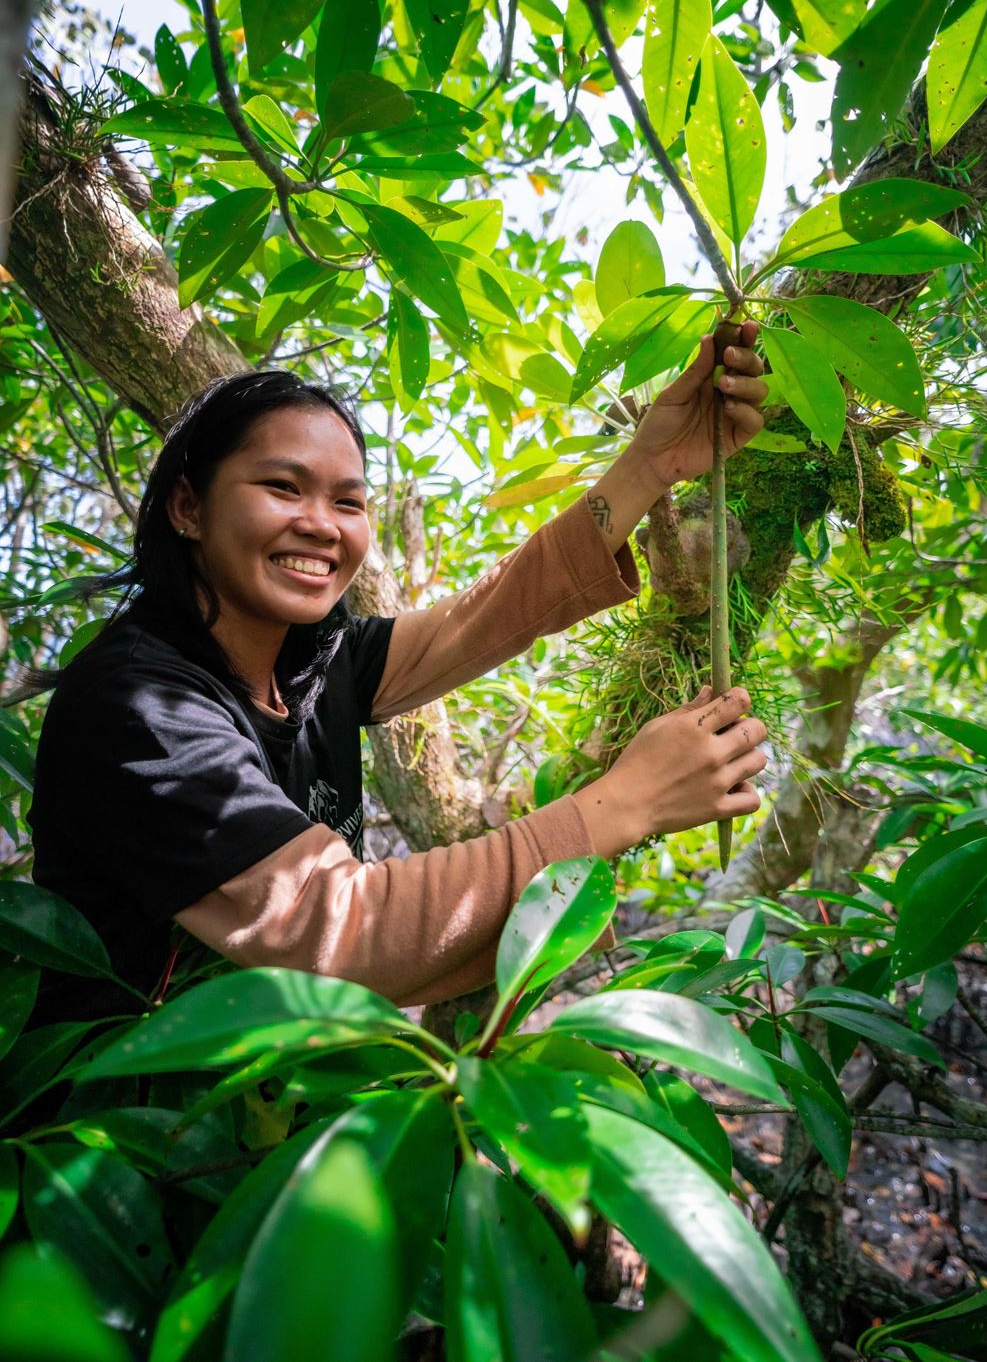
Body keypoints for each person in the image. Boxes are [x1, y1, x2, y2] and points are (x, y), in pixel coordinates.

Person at [29, 324, 769, 1022]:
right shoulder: (139, 706)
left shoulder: (307, 661)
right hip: (138, 1135)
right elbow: (345, 931)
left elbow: (482, 618)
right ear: (187, 506)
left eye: (347, 500)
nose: (322, 523)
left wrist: (652, 463)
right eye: (284, 488)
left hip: (281, 1102)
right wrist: (627, 803)